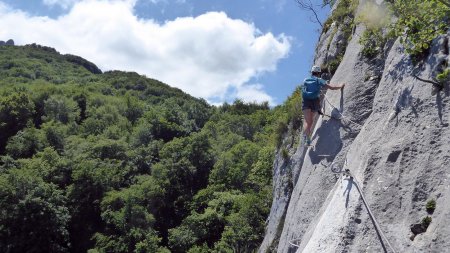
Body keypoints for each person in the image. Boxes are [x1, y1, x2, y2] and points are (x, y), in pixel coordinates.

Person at [301, 65, 345, 145]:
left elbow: (304, 90)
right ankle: (308, 136)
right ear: (318, 73)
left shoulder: (305, 80)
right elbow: (331, 87)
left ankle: (307, 139)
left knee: (307, 121)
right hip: (315, 102)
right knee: (311, 121)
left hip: (306, 101)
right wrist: (340, 86)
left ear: (312, 72)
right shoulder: (319, 80)